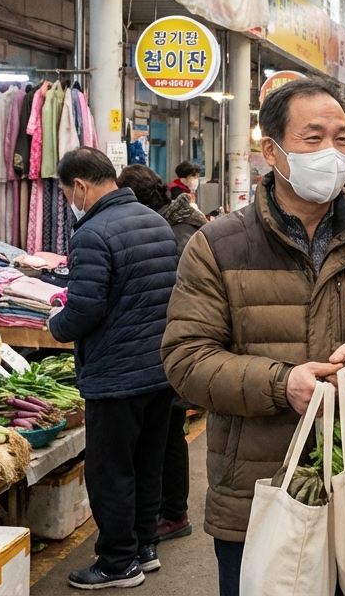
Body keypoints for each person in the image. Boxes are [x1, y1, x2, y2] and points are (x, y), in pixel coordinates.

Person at [162, 75, 345, 596]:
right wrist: (283, 384)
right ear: (272, 151)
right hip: (258, 495)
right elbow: (186, 360)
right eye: (313, 138)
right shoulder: (218, 245)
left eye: (342, 138)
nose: (332, 151)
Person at [49, 147, 179, 589]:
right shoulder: (154, 220)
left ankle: (117, 562)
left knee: (110, 470)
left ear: (80, 186)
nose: (71, 199)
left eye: (68, 191)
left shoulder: (92, 232)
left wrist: (55, 324)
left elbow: (84, 311)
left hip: (116, 373)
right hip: (159, 369)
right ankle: (144, 546)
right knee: (147, 462)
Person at [113, 163, 201, 544]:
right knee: (168, 435)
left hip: (175, 348)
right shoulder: (180, 224)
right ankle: (170, 512)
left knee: (167, 436)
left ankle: (173, 513)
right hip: (173, 348)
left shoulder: (175, 234)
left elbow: (173, 297)